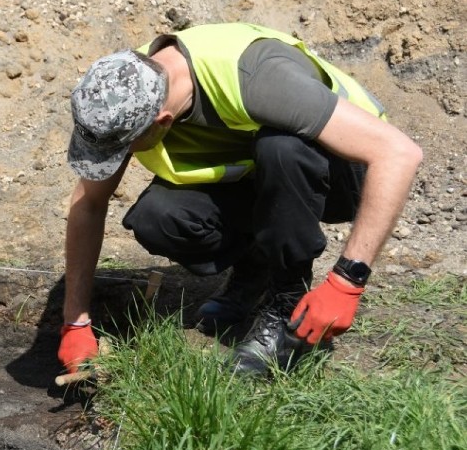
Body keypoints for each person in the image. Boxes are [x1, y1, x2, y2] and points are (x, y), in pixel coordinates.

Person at [58, 22, 422, 377]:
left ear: (162, 120)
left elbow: (398, 154)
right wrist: (75, 322)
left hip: (345, 170)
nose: (120, 158)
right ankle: (255, 270)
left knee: (282, 148)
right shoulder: (121, 85)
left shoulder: (256, 78)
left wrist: (348, 281)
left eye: (125, 149)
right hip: (257, 177)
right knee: (159, 217)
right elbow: (89, 203)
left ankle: (287, 308)